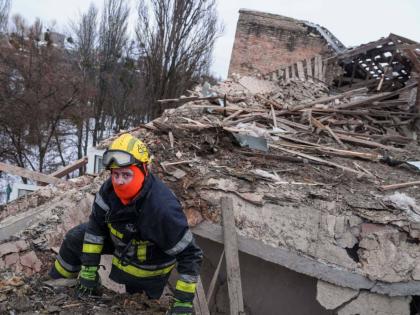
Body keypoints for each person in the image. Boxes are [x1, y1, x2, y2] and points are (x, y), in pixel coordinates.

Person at [49, 133, 203, 315]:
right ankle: (56, 288)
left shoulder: (162, 209)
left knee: (135, 304)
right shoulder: (108, 191)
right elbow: (95, 229)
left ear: (143, 170)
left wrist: (183, 302)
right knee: (76, 237)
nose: (119, 181)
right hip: (120, 242)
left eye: (126, 175)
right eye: (115, 174)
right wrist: (89, 269)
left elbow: (190, 255)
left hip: (149, 265)